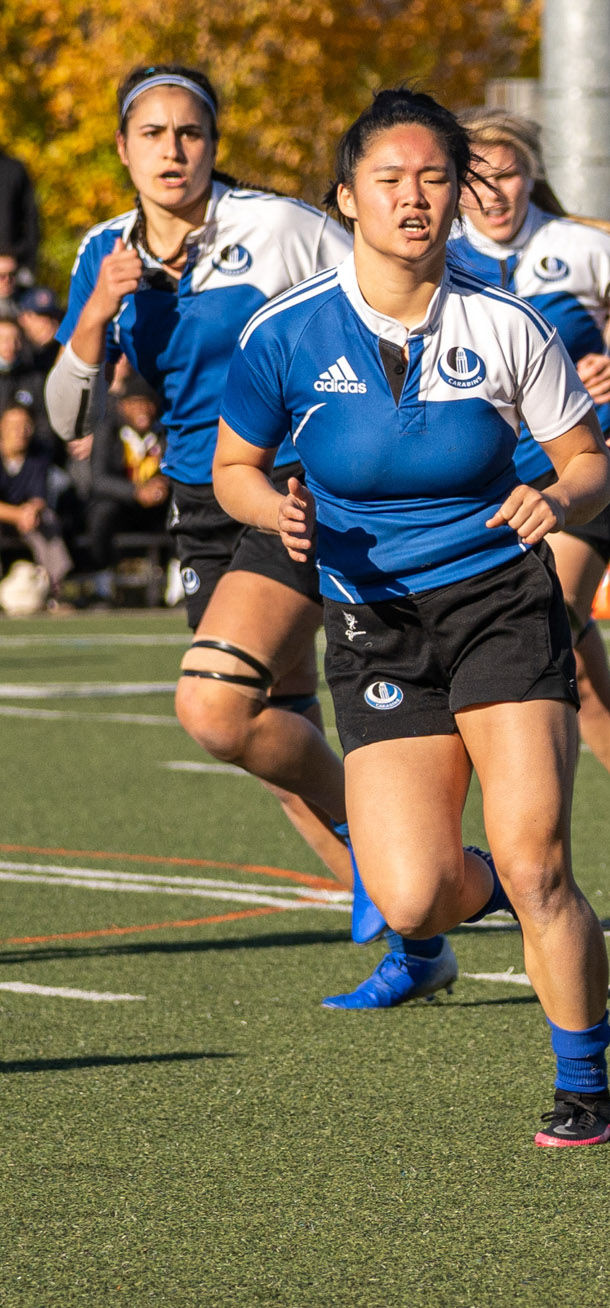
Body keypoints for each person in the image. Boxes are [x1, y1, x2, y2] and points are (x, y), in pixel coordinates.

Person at [213, 89, 610, 1144]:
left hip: (498, 603)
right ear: (345, 197)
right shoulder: (283, 334)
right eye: (389, 180)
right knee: (412, 897)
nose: (414, 199)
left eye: (434, 178)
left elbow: (590, 465)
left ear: (458, 194)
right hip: (374, 623)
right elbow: (233, 470)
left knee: (537, 862)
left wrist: (559, 496)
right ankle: (486, 907)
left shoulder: (506, 322)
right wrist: (277, 511)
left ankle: (583, 1087)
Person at [42, 65, 364, 945]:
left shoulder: (280, 226)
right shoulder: (102, 250)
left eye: (191, 133)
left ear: (214, 145)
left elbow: (388, 304)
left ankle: (388, 857)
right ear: (123, 148)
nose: (173, 151)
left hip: (290, 488)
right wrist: (98, 313)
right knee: (273, 730)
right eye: (153, 134)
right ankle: (417, 934)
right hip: (197, 501)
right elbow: (66, 415)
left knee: (218, 709)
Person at [444, 108, 610, 924]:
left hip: (580, 478)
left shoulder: (580, 247)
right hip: (480, 489)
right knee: (579, 668)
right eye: (476, 176)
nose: (493, 192)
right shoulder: (435, 255)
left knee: (536, 630)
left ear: (531, 174)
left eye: (507, 173)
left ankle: (528, 871)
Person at [74, 383, 169, 596]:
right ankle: (102, 580)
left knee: (182, 507)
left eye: (147, 403)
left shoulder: (164, 432)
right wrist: (135, 492)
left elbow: (177, 467)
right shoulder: (107, 431)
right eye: (135, 404)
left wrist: (162, 485)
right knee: (101, 512)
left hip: (156, 506)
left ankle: (176, 580)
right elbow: (99, 480)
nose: (142, 409)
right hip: (122, 504)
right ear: (123, 406)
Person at [0, 402, 71, 601]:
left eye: (26, 425)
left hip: (27, 520)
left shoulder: (38, 456)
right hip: (7, 517)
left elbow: (39, 496)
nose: (21, 432)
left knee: (47, 519)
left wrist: (32, 510)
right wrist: (17, 515)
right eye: (14, 426)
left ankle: (54, 592)